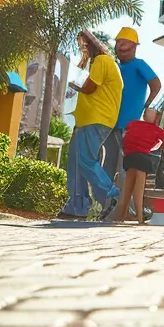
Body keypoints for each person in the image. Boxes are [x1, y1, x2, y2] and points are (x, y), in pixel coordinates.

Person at [57, 31, 123, 220]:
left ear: (92, 44)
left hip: (96, 119)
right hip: (88, 120)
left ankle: (110, 193)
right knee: (76, 164)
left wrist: (73, 85)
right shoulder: (101, 63)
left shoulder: (102, 61)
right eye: (80, 46)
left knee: (85, 160)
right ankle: (76, 206)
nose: (82, 49)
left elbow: (89, 88)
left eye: (84, 45)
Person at [106, 26, 161, 206]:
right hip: (110, 123)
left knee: (126, 167)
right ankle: (109, 205)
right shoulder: (116, 67)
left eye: (124, 43)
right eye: (117, 42)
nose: (120, 46)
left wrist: (146, 106)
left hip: (128, 127)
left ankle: (126, 206)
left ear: (134, 46)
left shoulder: (139, 64)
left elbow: (156, 84)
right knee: (108, 165)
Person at [112, 108, 164, 225]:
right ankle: (140, 220)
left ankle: (119, 217)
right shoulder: (158, 131)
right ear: (157, 119)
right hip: (142, 159)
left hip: (129, 157)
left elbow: (125, 136)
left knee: (126, 190)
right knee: (139, 191)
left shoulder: (132, 124)